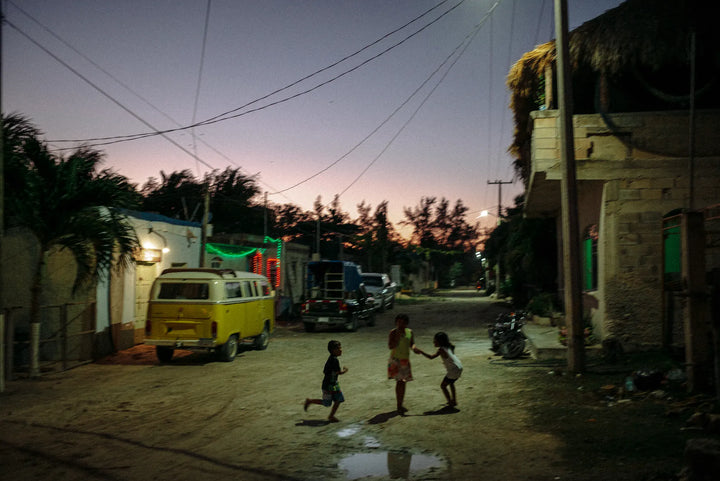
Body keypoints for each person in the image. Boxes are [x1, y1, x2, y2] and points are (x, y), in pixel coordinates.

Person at [413, 331, 463, 406]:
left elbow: (431, 357)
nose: (434, 342)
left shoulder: (441, 349)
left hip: (453, 370)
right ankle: (454, 400)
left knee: (443, 386)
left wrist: (421, 351)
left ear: (440, 341)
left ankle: (450, 402)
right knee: (451, 383)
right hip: (459, 367)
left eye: (435, 341)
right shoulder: (449, 346)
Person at [304, 340, 348, 422]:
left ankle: (331, 416)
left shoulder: (331, 359)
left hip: (331, 384)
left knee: (337, 400)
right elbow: (339, 372)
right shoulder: (334, 360)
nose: (341, 350)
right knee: (328, 402)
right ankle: (310, 401)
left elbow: (325, 371)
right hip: (329, 385)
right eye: (338, 348)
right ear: (333, 350)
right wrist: (345, 370)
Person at [388, 313, 415, 414]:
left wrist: (414, 348)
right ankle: (399, 405)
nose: (400, 324)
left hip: (405, 360)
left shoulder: (410, 332)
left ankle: (400, 404)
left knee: (403, 383)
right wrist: (397, 338)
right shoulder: (393, 332)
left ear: (406, 324)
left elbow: (411, 343)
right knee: (400, 382)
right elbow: (390, 346)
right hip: (396, 360)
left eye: (402, 323)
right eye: (398, 322)